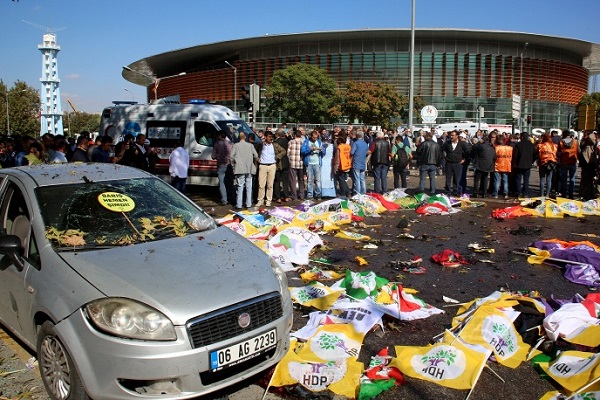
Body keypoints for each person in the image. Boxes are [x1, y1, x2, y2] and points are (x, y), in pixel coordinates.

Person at [256, 131, 285, 207]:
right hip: (263, 166)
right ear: (265, 137)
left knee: (270, 185)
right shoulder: (261, 145)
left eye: (271, 136)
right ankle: (260, 200)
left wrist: (277, 157)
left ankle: (268, 200)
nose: (271, 138)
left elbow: (283, 151)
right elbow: (255, 152)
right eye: (269, 136)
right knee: (261, 185)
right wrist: (257, 158)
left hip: (272, 166)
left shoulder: (275, 145)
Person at [231, 132, 258, 209]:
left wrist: (233, 166)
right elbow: (256, 155)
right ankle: (248, 203)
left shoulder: (236, 145)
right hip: (249, 168)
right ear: (245, 137)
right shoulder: (250, 145)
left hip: (239, 168)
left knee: (240, 186)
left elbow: (231, 156)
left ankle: (239, 204)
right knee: (249, 186)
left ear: (239, 138)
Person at [441, 130, 468, 195]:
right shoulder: (447, 143)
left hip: (458, 163)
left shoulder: (461, 144)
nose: (451, 137)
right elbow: (441, 150)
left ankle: (455, 191)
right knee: (448, 178)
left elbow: (467, 152)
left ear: (457, 136)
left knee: (457, 178)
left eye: (453, 135)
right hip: (449, 163)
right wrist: (444, 158)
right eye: (451, 135)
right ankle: (448, 191)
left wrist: (464, 159)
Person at [471, 134, 496, 198]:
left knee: (477, 179)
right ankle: (484, 193)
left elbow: (473, 147)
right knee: (485, 179)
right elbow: (494, 157)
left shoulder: (481, 146)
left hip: (480, 165)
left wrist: (479, 142)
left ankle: (475, 193)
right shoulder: (492, 148)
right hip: (488, 165)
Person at [511, 132, 536, 198]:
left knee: (518, 179)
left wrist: (514, 163)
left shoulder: (518, 145)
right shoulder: (532, 145)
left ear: (521, 137)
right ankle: (526, 193)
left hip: (519, 164)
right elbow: (535, 155)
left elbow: (515, 156)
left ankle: (519, 193)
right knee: (526, 180)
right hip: (528, 164)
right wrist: (532, 161)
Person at [211, 130, 233, 205]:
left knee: (222, 183)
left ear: (220, 136)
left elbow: (213, 156)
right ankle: (231, 198)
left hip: (221, 165)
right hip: (229, 165)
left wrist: (217, 156)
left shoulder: (217, 144)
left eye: (218, 135)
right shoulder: (230, 143)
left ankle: (224, 200)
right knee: (230, 183)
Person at [557, 129, 578, 199]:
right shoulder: (575, 142)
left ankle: (564, 194)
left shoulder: (561, 142)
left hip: (564, 162)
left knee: (564, 179)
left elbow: (558, 153)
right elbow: (579, 151)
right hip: (573, 161)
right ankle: (571, 194)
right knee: (572, 178)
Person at [302, 130, 323, 200]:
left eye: (316, 137)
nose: (315, 139)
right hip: (309, 163)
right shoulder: (306, 142)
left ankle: (318, 194)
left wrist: (322, 150)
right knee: (309, 180)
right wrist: (310, 149)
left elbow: (323, 151)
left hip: (317, 163)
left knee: (318, 180)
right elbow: (302, 151)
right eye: (314, 137)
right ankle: (310, 195)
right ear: (311, 136)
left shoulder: (319, 142)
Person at [536, 132, 558, 197]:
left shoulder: (540, 145)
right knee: (549, 179)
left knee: (542, 180)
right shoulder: (554, 146)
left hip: (543, 163)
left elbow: (537, 153)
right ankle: (547, 194)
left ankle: (541, 194)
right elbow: (557, 154)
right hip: (551, 163)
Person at [578, 131, 598, 200]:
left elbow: (591, 138)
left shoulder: (592, 140)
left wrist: (591, 133)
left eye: (585, 134)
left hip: (589, 162)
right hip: (585, 163)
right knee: (585, 180)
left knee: (589, 180)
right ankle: (585, 194)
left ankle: (590, 195)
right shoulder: (585, 141)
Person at [273, 128, 291, 203]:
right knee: (285, 181)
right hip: (285, 162)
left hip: (278, 162)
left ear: (277, 134)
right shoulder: (286, 141)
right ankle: (286, 196)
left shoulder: (275, 142)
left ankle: (278, 197)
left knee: (277, 180)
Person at [287, 129, 305, 201]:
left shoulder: (291, 142)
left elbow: (288, 153)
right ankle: (302, 195)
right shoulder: (303, 142)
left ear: (294, 135)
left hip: (292, 163)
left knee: (293, 180)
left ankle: (294, 196)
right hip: (301, 163)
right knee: (301, 180)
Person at [350, 130, 370, 195]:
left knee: (357, 179)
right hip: (363, 162)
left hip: (356, 162)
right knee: (362, 179)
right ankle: (363, 192)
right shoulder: (365, 143)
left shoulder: (356, 143)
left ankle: (357, 193)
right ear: (362, 136)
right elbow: (367, 152)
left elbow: (352, 152)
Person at [319, 129, 337, 198]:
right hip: (330, 162)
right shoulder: (333, 146)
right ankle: (331, 193)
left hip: (323, 162)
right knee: (330, 177)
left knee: (323, 177)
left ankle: (323, 193)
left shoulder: (321, 145)